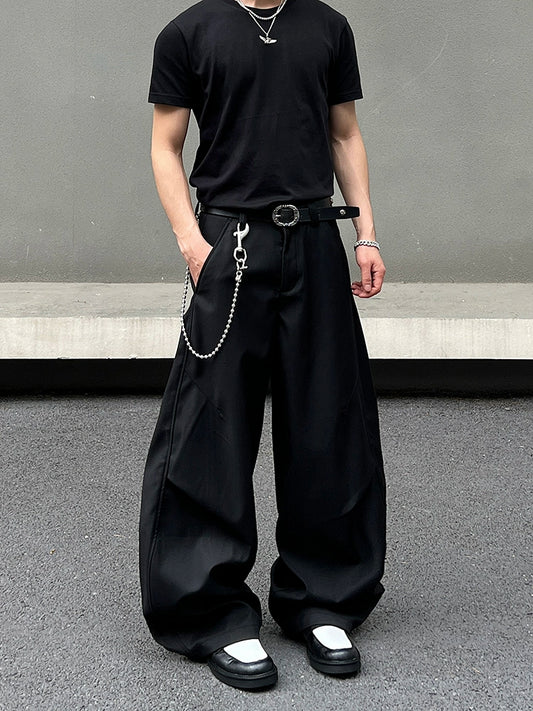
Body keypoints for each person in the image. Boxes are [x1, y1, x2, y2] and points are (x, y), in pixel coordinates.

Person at [139, 0, 386, 691]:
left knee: (328, 422)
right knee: (210, 428)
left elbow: (344, 133)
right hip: (232, 242)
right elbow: (164, 144)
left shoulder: (328, 27)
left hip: (314, 238)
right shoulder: (188, 32)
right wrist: (194, 245)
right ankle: (213, 609)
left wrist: (365, 233)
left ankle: (323, 597)